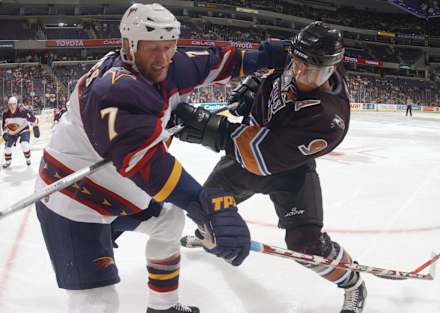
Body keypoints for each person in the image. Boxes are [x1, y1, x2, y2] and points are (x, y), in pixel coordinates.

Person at [34, 3, 289, 313]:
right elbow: (149, 167)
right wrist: (206, 206)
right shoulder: (114, 89)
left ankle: (163, 307)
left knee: (168, 221)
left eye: (169, 47)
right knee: (98, 301)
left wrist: (263, 57)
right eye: (153, 48)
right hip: (72, 199)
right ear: (128, 46)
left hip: (113, 186)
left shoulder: (164, 63)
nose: (162, 57)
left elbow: (218, 62)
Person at [174, 22, 367, 313]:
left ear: (331, 69)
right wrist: (254, 84)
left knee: (306, 246)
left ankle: (352, 283)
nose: (302, 74)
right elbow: (266, 57)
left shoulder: (328, 119)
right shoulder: (299, 55)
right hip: (249, 157)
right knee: (207, 204)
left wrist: (209, 129)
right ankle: (206, 236)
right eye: (299, 64)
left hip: (287, 171)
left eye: (313, 71)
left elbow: (261, 155)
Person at [2, 96, 39, 168]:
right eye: (10, 104)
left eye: (14, 104)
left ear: (16, 104)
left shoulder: (23, 111)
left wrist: (35, 127)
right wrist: (5, 132)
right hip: (12, 132)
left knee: (24, 144)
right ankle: (8, 162)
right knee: (7, 148)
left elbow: (32, 119)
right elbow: (4, 125)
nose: (12, 106)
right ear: (8, 105)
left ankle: (28, 159)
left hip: (23, 130)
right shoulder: (5, 114)